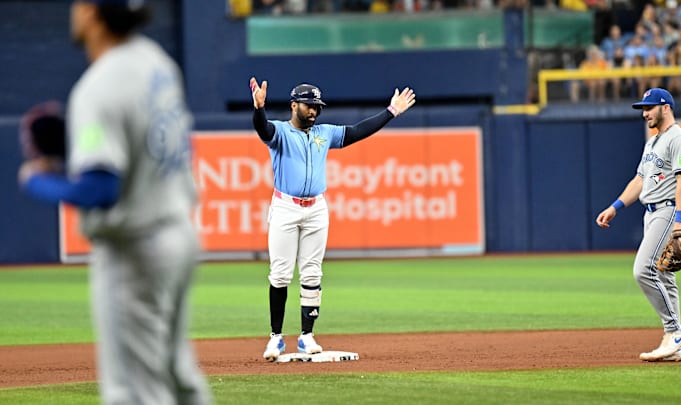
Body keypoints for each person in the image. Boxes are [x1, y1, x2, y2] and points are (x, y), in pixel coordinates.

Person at [17, 1, 212, 403]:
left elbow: (99, 190)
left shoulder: (99, 85)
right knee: (178, 376)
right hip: (178, 235)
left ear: (92, 14)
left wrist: (38, 180)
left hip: (135, 248)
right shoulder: (157, 62)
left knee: (134, 392)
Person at [249, 77, 415, 361]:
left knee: (312, 273)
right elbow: (262, 128)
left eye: (317, 107)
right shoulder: (280, 132)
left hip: (316, 208)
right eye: (308, 106)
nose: (313, 111)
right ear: (294, 105)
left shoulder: (324, 133)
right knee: (280, 274)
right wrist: (259, 108)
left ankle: (306, 335)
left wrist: (391, 111)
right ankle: (276, 338)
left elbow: (357, 131)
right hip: (285, 207)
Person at [595, 88, 681, 362]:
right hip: (650, 212)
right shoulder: (652, 143)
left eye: (649, 107)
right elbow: (639, 181)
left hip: (668, 211)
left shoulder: (679, 140)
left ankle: (675, 330)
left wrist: (680, 225)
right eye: (643, 108)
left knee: (643, 270)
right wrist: (615, 207)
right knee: (665, 276)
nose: (645, 113)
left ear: (665, 107)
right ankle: (674, 346)